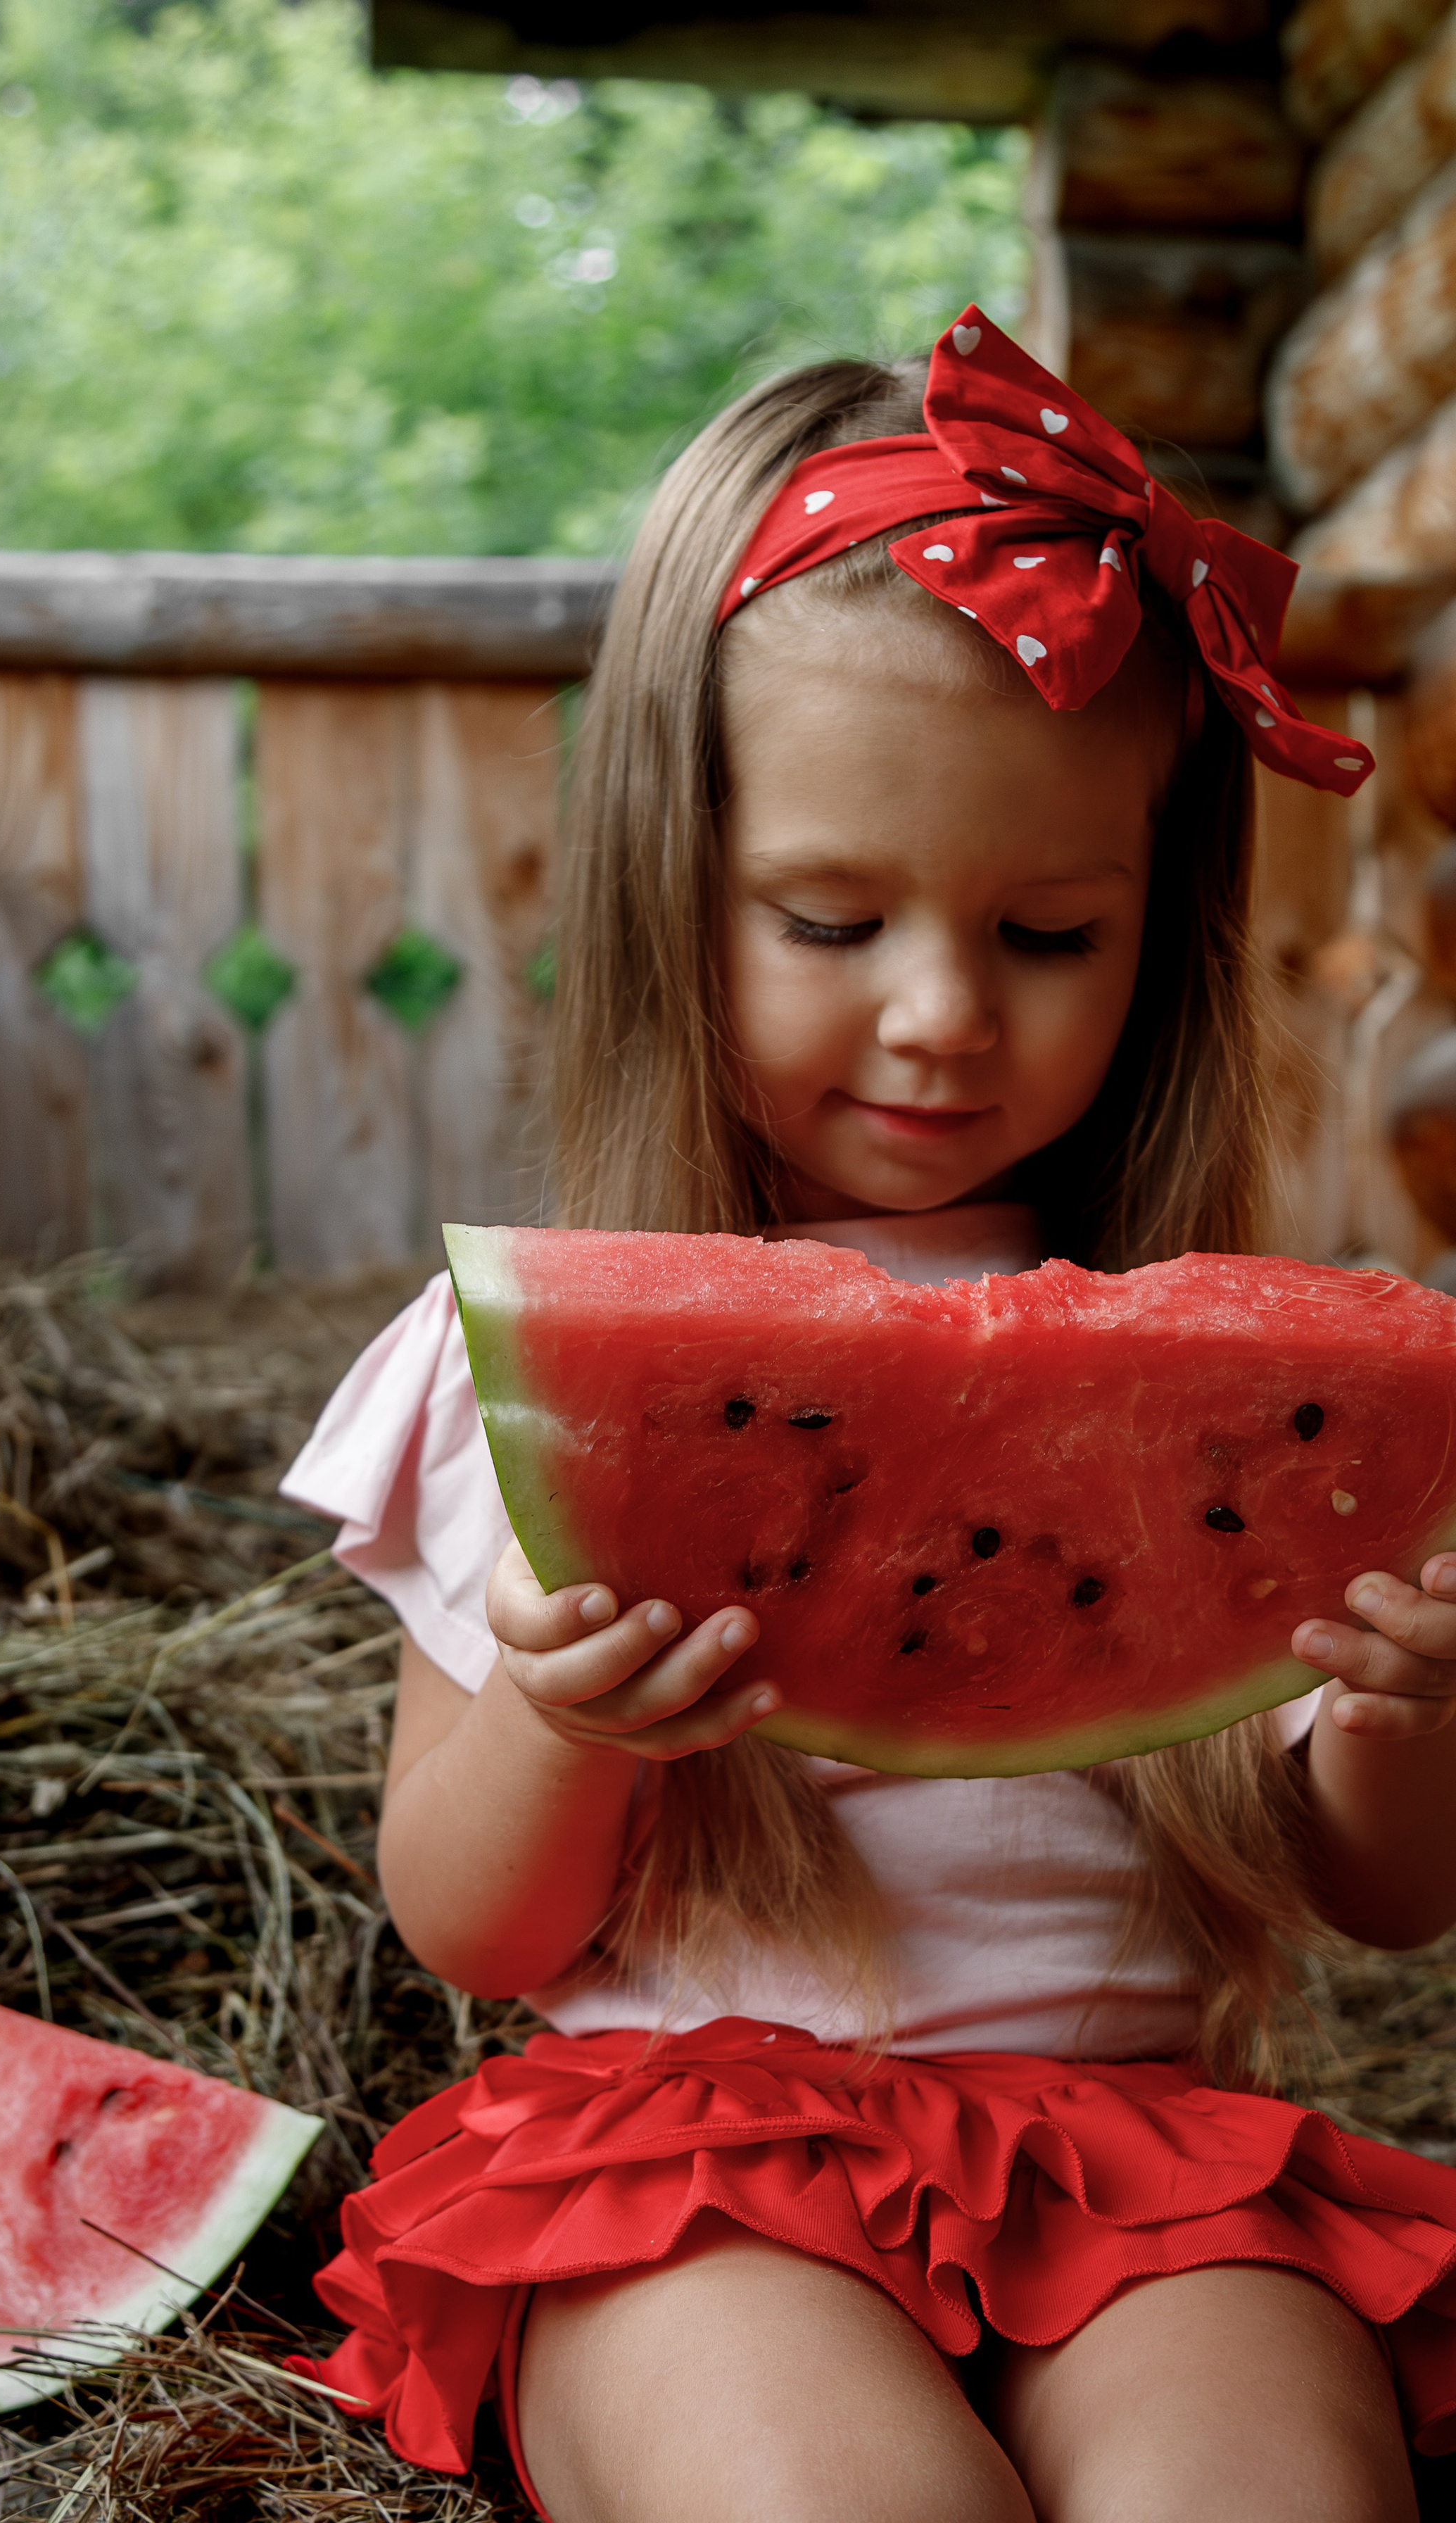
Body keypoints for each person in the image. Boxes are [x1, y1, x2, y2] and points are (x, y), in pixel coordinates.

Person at [281, 306, 1456, 2523]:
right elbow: (470, 1926)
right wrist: (563, 1729)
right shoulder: (515, 1363)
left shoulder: (1233, 1390)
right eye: (830, 919)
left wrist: (1404, 1719)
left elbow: (1378, 1895)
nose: (939, 1016)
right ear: (671, 889)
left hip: (1137, 2154)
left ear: (1165, 932)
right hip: (683, 2159)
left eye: (1050, 934)